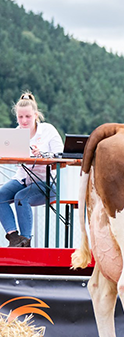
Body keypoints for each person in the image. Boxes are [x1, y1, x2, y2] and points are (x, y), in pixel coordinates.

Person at [1, 92, 64, 248]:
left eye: (27, 117)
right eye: (20, 117)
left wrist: (42, 155)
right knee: (1, 196)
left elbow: (62, 157)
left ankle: (26, 241)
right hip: (23, 179)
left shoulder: (48, 130)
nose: (23, 121)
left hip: (47, 183)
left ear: (36, 115)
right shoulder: (15, 134)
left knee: (21, 197)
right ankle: (14, 237)